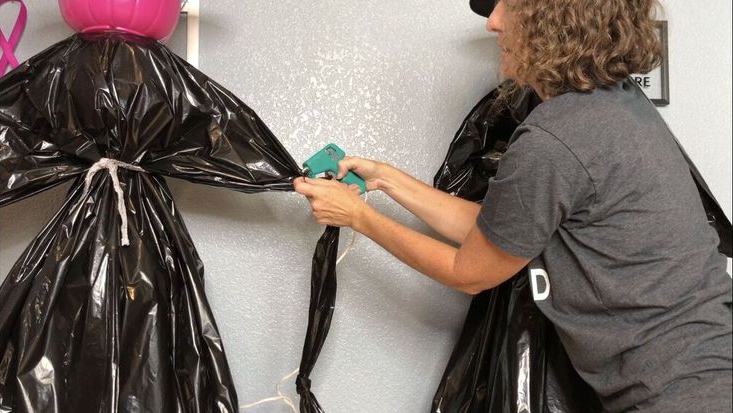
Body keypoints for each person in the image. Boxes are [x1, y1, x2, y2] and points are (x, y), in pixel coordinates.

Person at [293, 0, 733, 412]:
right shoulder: (612, 106)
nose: (493, 22)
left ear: (554, 18)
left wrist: (356, 217)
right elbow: (497, 230)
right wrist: (385, 179)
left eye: (509, 4)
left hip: (682, 392)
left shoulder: (554, 139)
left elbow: (470, 272)